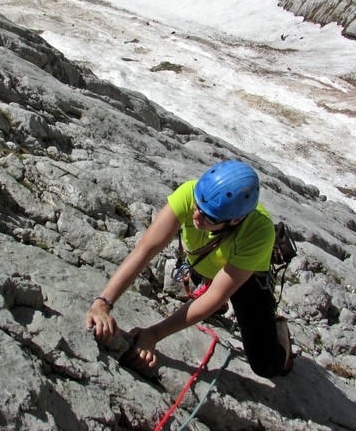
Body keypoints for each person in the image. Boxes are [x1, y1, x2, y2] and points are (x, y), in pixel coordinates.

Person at [86, 159, 293, 378]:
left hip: (245, 277)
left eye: (207, 216)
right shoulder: (191, 193)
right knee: (206, 277)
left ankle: (279, 330)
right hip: (204, 261)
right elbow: (144, 250)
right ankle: (211, 280)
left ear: (235, 220)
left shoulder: (257, 233)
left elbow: (214, 296)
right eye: (196, 206)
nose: (195, 216)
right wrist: (103, 303)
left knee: (268, 365)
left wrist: (154, 334)